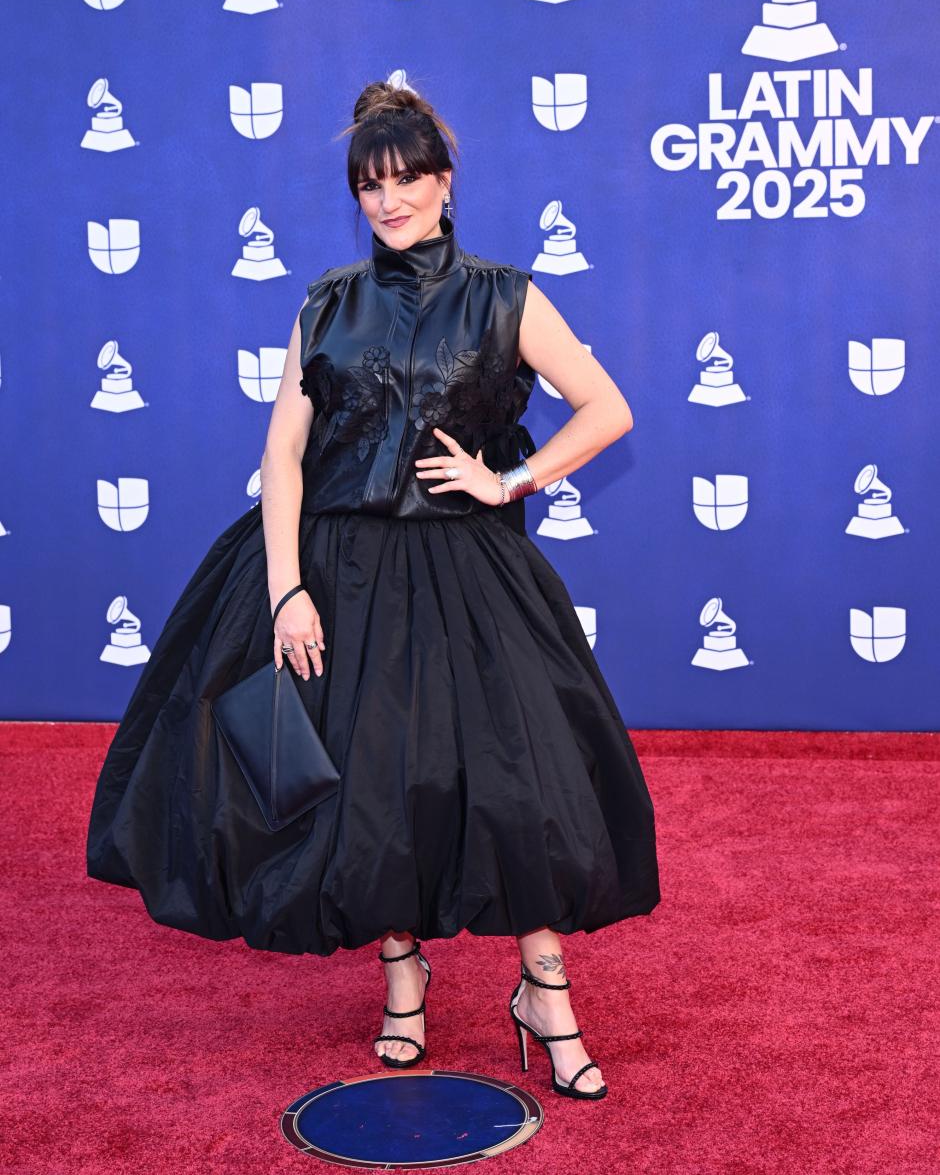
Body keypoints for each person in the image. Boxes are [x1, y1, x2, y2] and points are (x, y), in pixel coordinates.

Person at [86, 81, 660, 1102]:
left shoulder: (505, 296)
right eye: (368, 184)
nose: (387, 201)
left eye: (405, 179)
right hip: (338, 575)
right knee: (368, 794)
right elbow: (285, 452)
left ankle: (545, 991)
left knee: (517, 793)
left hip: (468, 571)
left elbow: (606, 406)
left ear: (443, 181)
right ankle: (403, 981)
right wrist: (284, 593)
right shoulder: (325, 302)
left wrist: (509, 478)